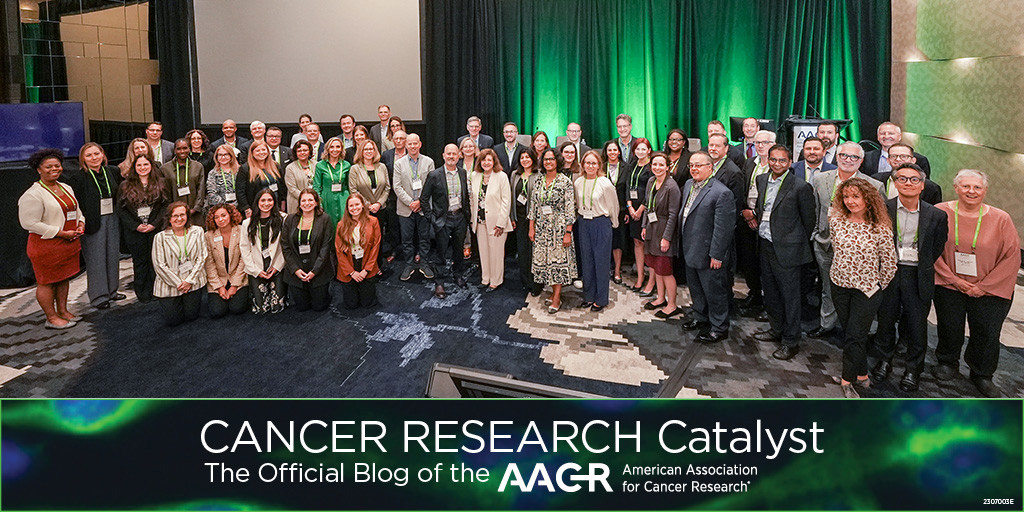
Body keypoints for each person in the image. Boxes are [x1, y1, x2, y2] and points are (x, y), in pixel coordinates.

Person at [932, 169, 1020, 397]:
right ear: (956, 188)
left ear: (985, 190)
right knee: (949, 325)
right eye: (966, 186)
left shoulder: (1001, 218)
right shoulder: (939, 212)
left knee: (987, 332)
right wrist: (953, 280)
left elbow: (1011, 257)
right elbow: (931, 249)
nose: (971, 191)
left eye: (977, 187)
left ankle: (982, 373)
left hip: (989, 289)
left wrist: (984, 286)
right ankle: (947, 362)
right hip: (949, 284)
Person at [870, 163, 948, 392]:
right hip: (889, 272)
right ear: (895, 183)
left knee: (916, 325)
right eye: (902, 179)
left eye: (914, 179)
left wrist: (921, 264)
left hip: (918, 275)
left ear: (922, 185)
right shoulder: (882, 208)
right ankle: (884, 361)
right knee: (885, 321)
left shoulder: (936, 215)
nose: (908, 183)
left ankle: (913, 369)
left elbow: (937, 246)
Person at [828, 178, 897, 398]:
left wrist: (877, 285)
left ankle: (847, 380)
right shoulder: (836, 222)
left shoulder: (880, 228)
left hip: (867, 291)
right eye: (846, 196)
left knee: (855, 336)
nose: (850, 201)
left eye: (856, 196)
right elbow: (835, 249)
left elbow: (890, 264)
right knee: (851, 334)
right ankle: (862, 374)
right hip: (839, 285)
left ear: (868, 198)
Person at [808, 141, 883, 339]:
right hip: (825, 244)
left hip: (857, 250)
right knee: (827, 288)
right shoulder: (820, 179)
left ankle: (857, 331)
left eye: (854, 157)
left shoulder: (874, 185)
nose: (848, 160)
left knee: (859, 291)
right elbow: (816, 209)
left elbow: (879, 219)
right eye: (844, 155)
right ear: (837, 157)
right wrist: (816, 235)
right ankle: (826, 324)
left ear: (861, 161)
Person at [752, 145, 815, 360]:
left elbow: (809, 221)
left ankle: (791, 340)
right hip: (765, 243)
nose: (777, 164)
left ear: (789, 163)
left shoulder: (800, 186)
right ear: (768, 160)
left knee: (790, 297)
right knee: (770, 292)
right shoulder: (761, 180)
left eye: (782, 160)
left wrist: (793, 241)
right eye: (773, 159)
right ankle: (776, 329)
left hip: (789, 249)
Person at [18, 149, 85, 329]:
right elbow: (29, 223)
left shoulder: (66, 187)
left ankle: (63, 311)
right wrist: (60, 233)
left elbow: (76, 210)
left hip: (68, 243)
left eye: (57, 165)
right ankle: (51, 318)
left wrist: (81, 223)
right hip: (47, 246)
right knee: (46, 282)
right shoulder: (33, 194)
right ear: (39, 169)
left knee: (63, 278)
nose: (54, 169)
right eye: (48, 167)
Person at [679, 152, 736, 342]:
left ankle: (719, 328)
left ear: (710, 167)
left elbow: (723, 229)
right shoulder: (689, 184)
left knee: (714, 292)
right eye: (691, 165)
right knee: (696, 288)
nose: (694, 169)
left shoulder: (721, 193)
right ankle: (700, 317)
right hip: (690, 247)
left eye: (699, 165)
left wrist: (717, 255)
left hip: (709, 252)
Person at [65, 143, 125, 310]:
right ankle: (99, 296)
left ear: (102, 154)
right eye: (89, 155)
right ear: (83, 159)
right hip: (92, 221)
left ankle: (112, 291)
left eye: (96, 154)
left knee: (112, 255)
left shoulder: (113, 171)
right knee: (96, 259)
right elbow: (76, 204)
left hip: (113, 218)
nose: (94, 158)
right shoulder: (78, 178)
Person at [529, 148, 577, 313]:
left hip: (559, 229)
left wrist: (568, 232)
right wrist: (531, 227)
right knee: (545, 263)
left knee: (557, 264)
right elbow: (533, 206)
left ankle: (557, 297)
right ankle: (552, 292)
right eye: (545, 159)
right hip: (541, 229)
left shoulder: (565, 182)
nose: (548, 162)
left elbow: (570, 209)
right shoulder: (539, 180)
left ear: (557, 161)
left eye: (551, 159)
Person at [117, 154, 169, 303]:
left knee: (156, 261)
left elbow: (165, 205)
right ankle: (142, 294)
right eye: (139, 165)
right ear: (134, 168)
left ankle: (157, 291)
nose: (142, 168)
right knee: (140, 262)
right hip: (135, 231)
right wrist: (136, 226)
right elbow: (121, 210)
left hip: (155, 229)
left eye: (145, 164)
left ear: (151, 166)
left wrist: (154, 224)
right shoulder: (125, 185)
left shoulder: (161, 182)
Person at [421, 144, 470, 298]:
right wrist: (431, 218)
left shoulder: (462, 173)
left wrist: (467, 217)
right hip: (443, 219)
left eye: (454, 154)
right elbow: (424, 198)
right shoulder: (434, 175)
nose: (451, 156)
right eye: (448, 154)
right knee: (441, 252)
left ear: (459, 156)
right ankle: (439, 282)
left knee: (458, 250)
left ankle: (458, 275)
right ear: (443, 155)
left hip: (460, 217)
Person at [737, 130, 776, 318]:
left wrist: (755, 214)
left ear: (773, 144)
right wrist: (746, 212)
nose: (760, 146)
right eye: (757, 142)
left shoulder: (776, 165)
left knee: (766, 264)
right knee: (749, 260)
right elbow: (743, 189)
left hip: (767, 220)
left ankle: (770, 302)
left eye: (765, 142)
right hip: (746, 217)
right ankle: (754, 294)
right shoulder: (749, 163)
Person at [575, 150, 618, 311]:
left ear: (599, 165)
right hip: (584, 223)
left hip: (601, 223)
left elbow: (613, 205)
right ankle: (588, 296)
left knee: (601, 262)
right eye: (587, 163)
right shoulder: (578, 182)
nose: (590, 166)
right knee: (587, 260)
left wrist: (614, 223)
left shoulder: (605, 183)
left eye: (594, 163)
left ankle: (601, 299)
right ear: (583, 165)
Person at [640, 152, 682, 318]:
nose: (657, 167)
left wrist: (666, 238)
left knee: (665, 269)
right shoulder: (651, 181)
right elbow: (647, 205)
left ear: (667, 167)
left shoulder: (672, 187)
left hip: (664, 229)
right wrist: (644, 226)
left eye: (661, 165)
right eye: (654, 164)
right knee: (656, 267)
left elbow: (673, 215)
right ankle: (660, 298)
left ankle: (672, 305)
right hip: (652, 228)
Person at [152, 202, 207, 326]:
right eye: (175, 216)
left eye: (182, 215)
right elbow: (159, 265)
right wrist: (179, 284)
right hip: (169, 284)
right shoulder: (160, 237)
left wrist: (189, 281)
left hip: (192, 281)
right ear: (169, 218)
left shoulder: (197, 231)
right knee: (174, 321)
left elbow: (202, 257)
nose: (179, 218)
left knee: (191, 317)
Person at [282, 189, 335, 311]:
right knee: (302, 307)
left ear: (316, 202)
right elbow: (285, 246)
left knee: (319, 307)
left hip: (318, 269)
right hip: (296, 269)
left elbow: (326, 248)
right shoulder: (290, 219)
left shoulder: (325, 219)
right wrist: (295, 269)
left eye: (310, 200)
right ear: (299, 203)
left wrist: (314, 271)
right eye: (303, 200)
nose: (307, 203)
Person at [393, 133, 436, 281]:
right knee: (407, 240)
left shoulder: (429, 162)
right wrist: (411, 202)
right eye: (410, 144)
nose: (412, 146)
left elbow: (431, 185)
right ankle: (409, 264)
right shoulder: (399, 163)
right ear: (406, 145)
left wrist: (420, 202)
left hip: (423, 207)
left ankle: (424, 263)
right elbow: (397, 186)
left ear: (420, 144)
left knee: (425, 238)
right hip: (405, 208)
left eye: (415, 143)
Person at [469, 149, 512, 291]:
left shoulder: (501, 176)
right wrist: (472, 219)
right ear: (479, 162)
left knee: (496, 253)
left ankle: (496, 280)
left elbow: (506, 201)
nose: (486, 163)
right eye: (483, 160)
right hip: (480, 221)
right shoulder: (475, 176)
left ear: (494, 162)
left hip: (497, 223)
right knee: (483, 252)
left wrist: (501, 223)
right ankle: (485, 278)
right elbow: (471, 199)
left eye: (489, 160)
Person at [238, 188, 287, 314]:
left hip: (276, 264)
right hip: (257, 266)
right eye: (263, 200)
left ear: (274, 202)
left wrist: (277, 266)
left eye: (270, 200)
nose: (266, 203)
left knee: (277, 307)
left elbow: (285, 246)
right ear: (257, 202)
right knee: (260, 308)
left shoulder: (283, 219)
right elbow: (244, 249)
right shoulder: (247, 223)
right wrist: (256, 270)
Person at [349, 140, 390, 269]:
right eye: (366, 149)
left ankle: (378, 265)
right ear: (361, 151)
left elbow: (387, 188)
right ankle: (365, 266)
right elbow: (353, 190)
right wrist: (367, 205)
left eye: (371, 149)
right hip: (362, 210)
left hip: (380, 209)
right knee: (364, 238)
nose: (368, 151)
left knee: (378, 238)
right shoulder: (355, 168)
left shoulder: (382, 167)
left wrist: (378, 203)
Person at [203, 203, 249, 319]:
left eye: (223, 215)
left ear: (230, 215)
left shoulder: (241, 231)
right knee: (217, 312)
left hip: (239, 277)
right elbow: (209, 264)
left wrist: (234, 285)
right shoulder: (208, 236)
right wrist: (219, 287)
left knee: (237, 308)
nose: (220, 219)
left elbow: (244, 260)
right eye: (216, 217)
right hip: (219, 279)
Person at [335, 193, 381, 309]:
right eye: (351, 206)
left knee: (367, 303)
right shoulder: (341, 225)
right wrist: (351, 272)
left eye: (357, 204)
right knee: (351, 305)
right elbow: (339, 251)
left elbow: (375, 248)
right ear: (347, 208)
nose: (354, 208)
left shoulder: (373, 221)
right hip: (349, 264)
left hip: (366, 263)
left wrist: (366, 270)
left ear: (362, 205)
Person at [625, 138, 653, 294]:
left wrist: (641, 209)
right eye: (637, 149)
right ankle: (640, 277)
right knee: (637, 242)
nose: (640, 152)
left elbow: (651, 191)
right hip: (632, 209)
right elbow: (628, 186)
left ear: (649, 150)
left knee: (648, 243)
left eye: (643, 149)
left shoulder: (652, 167)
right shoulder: (632, 165)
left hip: (646, 210)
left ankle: (652, 279)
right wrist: (629, 206)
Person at [511, 148, 541, 295]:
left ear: (533, 159)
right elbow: (511, 197)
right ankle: (525, 282)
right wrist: (512, 217)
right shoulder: (515, 175)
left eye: (528, 157)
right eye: (522, 157)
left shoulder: (539, 175)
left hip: (534, 220)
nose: (525, 160)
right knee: (522, 252)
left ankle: (535, 284)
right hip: (519, 219)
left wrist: (533, 222)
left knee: (534, 252)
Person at [871, 143, 943, 205]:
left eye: (904, 156)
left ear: (913, 160)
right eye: (893, 156)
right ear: (888, 160)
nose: (898, 159)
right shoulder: (875, 180)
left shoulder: (931, 188)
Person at [160, 139, 206, 226]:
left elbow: (201, 189)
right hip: (174, 215)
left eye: (185, 148)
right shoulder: (165, 168)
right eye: (178, 149)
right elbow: (165, 193)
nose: (182, 151)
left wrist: (195, 209)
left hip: (195, 213)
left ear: (189, 149)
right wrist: (174, 211)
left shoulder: (198, 166)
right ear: (174, 150)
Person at [861, 122, 932, 177]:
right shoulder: (867, 157)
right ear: (878, 137)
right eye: (882, 133)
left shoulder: (920, 160)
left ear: (899, 136)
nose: (886, 136)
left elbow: (925, 185)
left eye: (891, 133)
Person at [235, 140, 284, 216]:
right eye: (257, 151)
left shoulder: (275, 166)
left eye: (263, 150)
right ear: (252, 153)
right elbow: (240, 191)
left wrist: (283, 202)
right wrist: (247, 209)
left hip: (275, 206)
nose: (261, 152)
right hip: (255, 208)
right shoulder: (245, 169)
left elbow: (282, 186)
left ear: (268, 151)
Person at [603, 140, 628, 285]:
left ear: (619, 152)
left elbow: (628, 189)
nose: (612, 152)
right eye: (609, 150)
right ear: (606, 152)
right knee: (604, 241)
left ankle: (617, 271)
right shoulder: (601, 167)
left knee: (618, 241)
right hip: (603, 209)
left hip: (620, 210)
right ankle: (605, 269)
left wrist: (626, 210)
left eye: (614, 150)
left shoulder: (626, 167)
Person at [312, 137, 350, 227]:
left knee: (344, 226)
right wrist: (319, 204)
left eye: (338, 147)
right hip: (326, 200)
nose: (335, 150)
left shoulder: (346, 165)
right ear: (327, 149)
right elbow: (316, 186)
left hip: (343, 199)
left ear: (341, 149)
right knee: (328, 226)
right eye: (332, 147)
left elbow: (349, 185)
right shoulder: (320, 165)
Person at [204, 145, 241, 211]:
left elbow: (243, 191)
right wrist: (226, 206)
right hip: (219, 209)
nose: (223, 157)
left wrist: (235, 205)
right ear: (216, 157)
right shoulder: (213, 173)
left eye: (226, 154)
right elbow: (212, 193)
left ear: (231, 156)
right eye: (220, 155)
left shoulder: (240, 171)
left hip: (238, 208)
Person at [283, 139, 315, 214]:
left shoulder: (316, 165)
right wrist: (306, 199)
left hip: (314, 202)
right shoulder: (290, 168)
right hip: (296, 203)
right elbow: (292, 189)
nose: (302, 153)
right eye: (299, 151)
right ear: (296, 153)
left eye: (305, 150)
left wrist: (313, 199)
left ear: (310, 151)